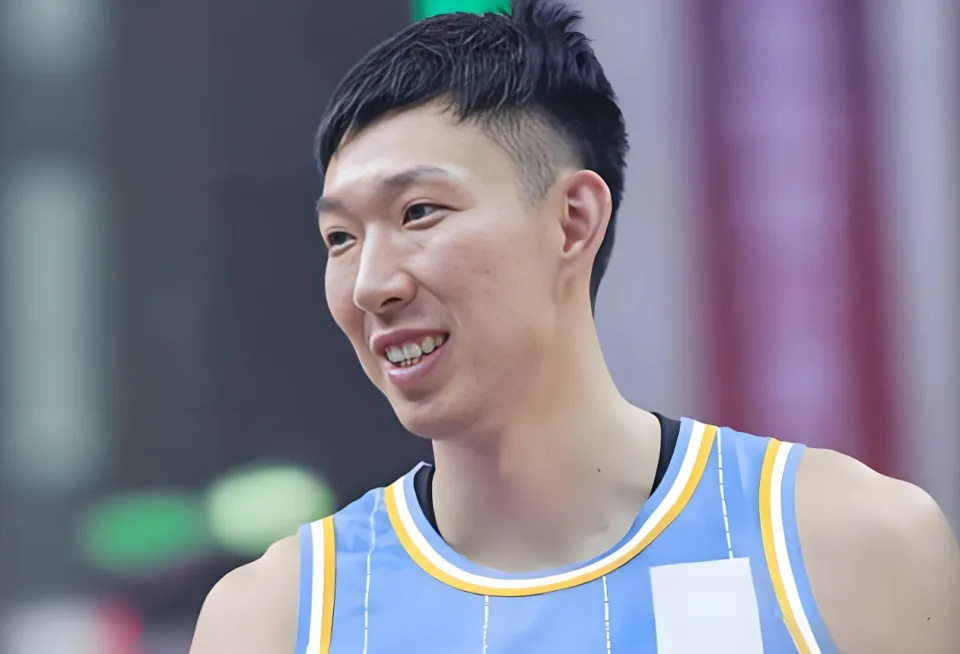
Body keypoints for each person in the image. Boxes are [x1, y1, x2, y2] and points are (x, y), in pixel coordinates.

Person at [190, 1, 960, 652]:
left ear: (573, 220)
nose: (371, 285)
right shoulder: (279, 619)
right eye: (340, 238)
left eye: (419, 212)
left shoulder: (850, 549)